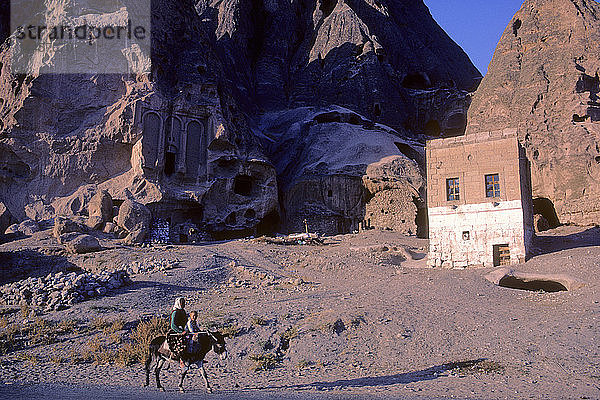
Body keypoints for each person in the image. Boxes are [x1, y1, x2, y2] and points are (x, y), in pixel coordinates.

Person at [167, 297, 188, 368]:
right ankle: (181, 361)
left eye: (184, 303)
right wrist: (180, 332)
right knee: (181, 343)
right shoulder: (175, 312)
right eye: (182, 303)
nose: (183, 304)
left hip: (183, 330)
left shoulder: (183, 311)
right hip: (175, 331)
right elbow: (173, 325)